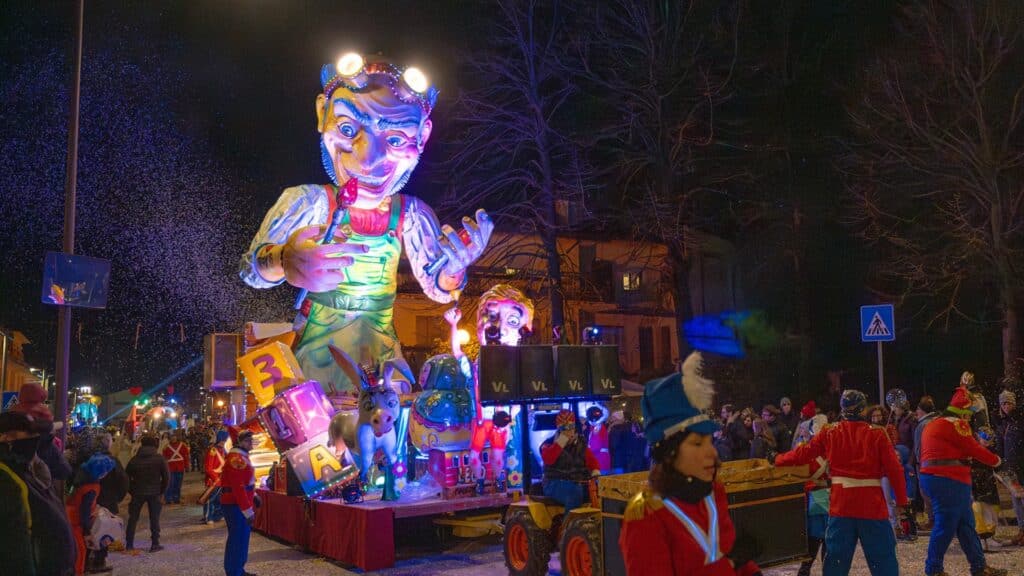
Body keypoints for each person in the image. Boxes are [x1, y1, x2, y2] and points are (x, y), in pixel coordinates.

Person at [240, 53, 493, 396]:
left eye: (396, 139)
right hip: (317, 362)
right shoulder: (309, 202)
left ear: (423, 135)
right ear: (321, 113)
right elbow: (251, 269)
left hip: (383, 361)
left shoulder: (412, 215)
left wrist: (453, 270)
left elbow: (436, 285)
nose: (369, 159)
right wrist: (284, 259)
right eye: (348, 129)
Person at [619, 352, 762, 575]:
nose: (711, 452)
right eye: (697, 443)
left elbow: (720, 551)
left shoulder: (713, 491)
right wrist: (731, 564)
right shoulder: (647, 513)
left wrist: (749, 570)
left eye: (709, 441)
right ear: (669, 453)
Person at [774, 389, 907, 576]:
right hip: (872, 507)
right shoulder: (877, 434)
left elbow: (804, 453)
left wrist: (778, 459)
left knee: (836, 561)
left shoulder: (830, 432)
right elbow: (895, 469)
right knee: (883, 560)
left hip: (841, 506)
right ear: (863, 410)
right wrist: (901, 501)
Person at [918, 386, 1006, 576]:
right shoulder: (957, 424)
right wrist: (997, 461)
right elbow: (974, 449)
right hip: (949, 480)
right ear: (964, 411)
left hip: (935, 477)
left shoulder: (935, 423)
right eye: (969, 414)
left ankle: (979, 566)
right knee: (945, 524)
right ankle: (933, 569)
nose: (969, 419)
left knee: (966, 525)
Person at [0, 410, 77, 575]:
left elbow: (63, 469)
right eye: (29, 435)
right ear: (5, 437)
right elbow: (15, 546)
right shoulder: (7, 479)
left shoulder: (27, 468)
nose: (34, 442)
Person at [540, 409, 600, 513]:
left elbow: (592, 461)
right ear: (559, 428)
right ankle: (569, 526)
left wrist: (595, 471)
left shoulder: (581, 443)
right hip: (554, 482)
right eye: (564, 428)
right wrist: (562, 440)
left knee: (601, 492)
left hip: (578, 481)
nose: (569, 431)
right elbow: (548, 459)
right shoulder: (548, 443)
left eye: (571, 427)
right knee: (574, 492)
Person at [67, 454, 117, 575]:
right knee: (80, 552)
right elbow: (84, 510)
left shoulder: (80, 477)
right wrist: (87, 532)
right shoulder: (92, 487)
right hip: (75, 521)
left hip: (68, 514)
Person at [221, 429, 260, 576]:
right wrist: (247, 510)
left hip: (240, 503)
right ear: (239, 442)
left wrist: (254, 495)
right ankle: (233, 571)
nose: (251, 443)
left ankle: (239, 569)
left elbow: (245, 481)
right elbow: (237, 487)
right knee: (237, 539)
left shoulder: (240, 457)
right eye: (247, 440)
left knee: (242, 538)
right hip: (235, 504)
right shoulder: (236, 459)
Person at [125, 434, 169, 552]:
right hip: (155, 492)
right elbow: (166, 477)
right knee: (154, 518)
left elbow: (126, 477)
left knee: (133, 518)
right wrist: (162, 491)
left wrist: (131, 490)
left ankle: (129, 543)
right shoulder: (159, 458)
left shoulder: (134, 459)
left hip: (137, 492)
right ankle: (155, 543)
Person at [91, 433, 128, 573]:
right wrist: (118, 497)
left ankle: (89, 557)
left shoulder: (89, 459)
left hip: (92, 499)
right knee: (104, 530)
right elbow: (123, 481)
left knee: (90, 528)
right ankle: (99, 560)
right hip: (108, 499)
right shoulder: (112, 460)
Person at [995, 389, 1024, 545]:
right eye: (1003, 403)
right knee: (1016, 500)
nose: (1005, 406)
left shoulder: (1020, 421)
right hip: (1009, 468)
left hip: (1021, 466)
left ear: (1014, 403)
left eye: (1008, 402)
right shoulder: (1003, 423)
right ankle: (1021, 529)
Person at [915, 395, 940, 531]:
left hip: (925, 465)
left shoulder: (922, 425)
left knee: (927, 493)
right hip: (940, 464)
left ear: (922, 410)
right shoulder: (939, 421)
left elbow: (919, 447)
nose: (916, 412)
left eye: (918, 409)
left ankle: (932, 519)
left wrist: (918, 463)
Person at [203, 429, 229, 524]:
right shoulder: (213, 450)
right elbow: (208, 468)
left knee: (220, 499)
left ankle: (217, 515)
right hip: (213, 480)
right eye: (224, 440)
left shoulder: (223, 451)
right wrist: (215, 478)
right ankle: (208, 517)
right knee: (211, 499)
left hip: (221, 478)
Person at [162, 431, 189, 504]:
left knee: (178, 484)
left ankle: (176, 498)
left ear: (177, 437)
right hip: (170, 468)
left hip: (180, 467)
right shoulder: (166, 447)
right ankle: (168, 498)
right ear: (169, 438)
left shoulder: (182, 445)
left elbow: (186, 456)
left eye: (174, 436)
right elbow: (164, 458)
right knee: (170, 483)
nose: (173, 438)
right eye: (172, 436)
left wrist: (187, 466)